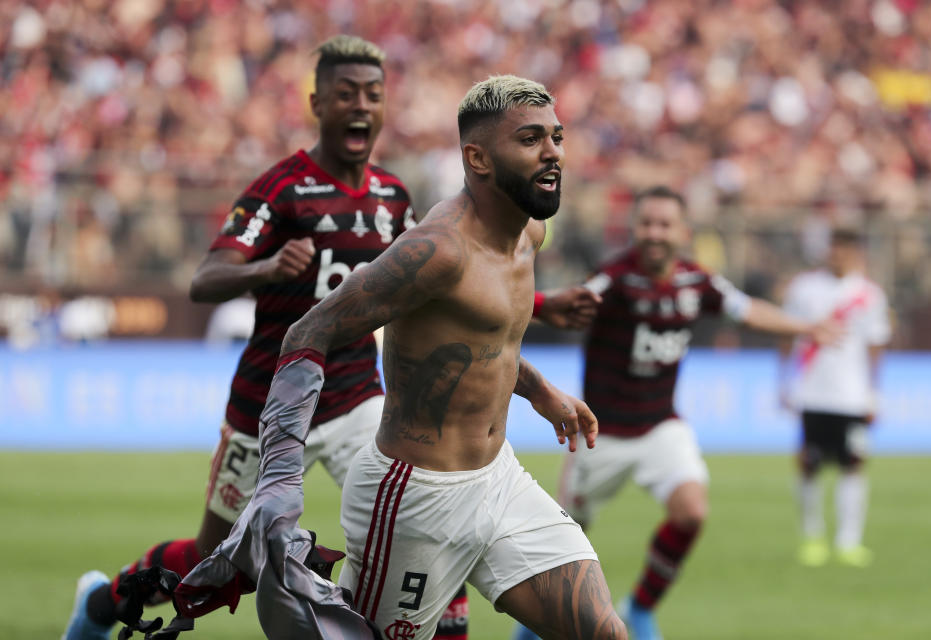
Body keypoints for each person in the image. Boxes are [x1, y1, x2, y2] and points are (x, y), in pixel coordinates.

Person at [172, 74, 628, 640]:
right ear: (478, 158)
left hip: (499, 479)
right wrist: (281, 479)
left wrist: (539, 391)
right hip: (413, 497)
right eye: (531, 139)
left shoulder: (530, 230)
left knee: (604, 632)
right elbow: (308, 332)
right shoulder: (437, 250)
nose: (553, 152)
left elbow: (484, 339)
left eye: (557, 136)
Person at [61, 35, 484, 640]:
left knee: (424, 520)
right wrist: (264, 267)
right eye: (345, 94)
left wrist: (537, 303)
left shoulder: (394, 197)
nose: (361, 106)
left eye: (373, 94)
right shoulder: (282, 187)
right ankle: (101, 603)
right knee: (222, 563)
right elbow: (206, 278)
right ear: (317, 102)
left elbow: (432, 283)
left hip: (356, 399)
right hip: (269, 406)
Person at [515, 185, 838, 640]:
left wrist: (805, 327)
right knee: (564, 545)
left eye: (665, 224)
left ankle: (640, 607)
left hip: (660, 427)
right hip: (599, 436)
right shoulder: (615, 279)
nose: (654, 233)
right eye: (646, 223)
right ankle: (531, 629)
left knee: (691, 511)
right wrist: (511, 303)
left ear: (683, 232)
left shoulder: (696, 283)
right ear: (635, 229)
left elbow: (748, 312)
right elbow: (566, 302)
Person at [778, 227, 891, 568]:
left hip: (852, 395)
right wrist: (783, 382)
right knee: (809, 464)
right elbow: (786, 335)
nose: (839, 254)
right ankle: (812, 536)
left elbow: (875, 346)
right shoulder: (804, 288)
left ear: (857, 252)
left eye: (846, 248)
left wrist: (873, 393)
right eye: (835, 247)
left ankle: (848, 540)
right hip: (813, 392)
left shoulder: (869, 294)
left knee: (853, 463)